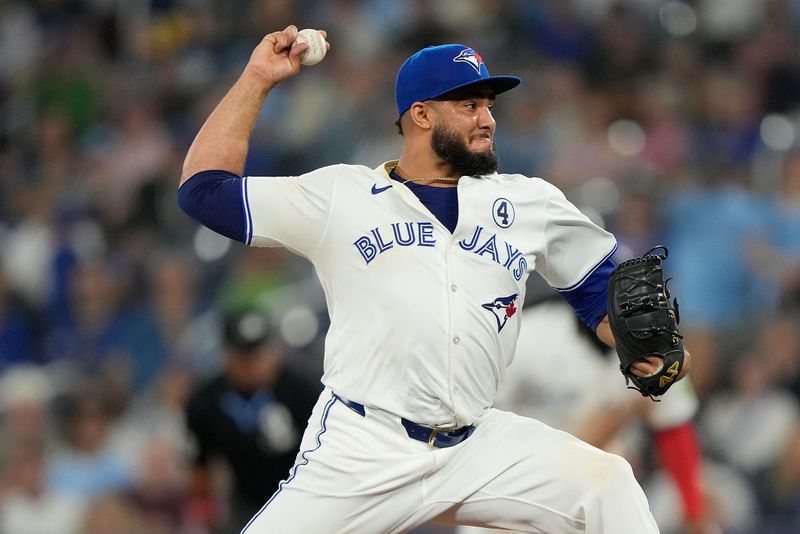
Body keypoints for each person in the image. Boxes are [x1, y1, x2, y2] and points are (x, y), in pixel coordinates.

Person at [177, 25, 692, 533]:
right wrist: (257, 78)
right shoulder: (342, 197)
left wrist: (647, 349)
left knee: (608, 484)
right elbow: (202, 190)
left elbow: (600, 293)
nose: (487, 118)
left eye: (489, 105)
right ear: (420, 114)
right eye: (469, 105)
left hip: (476, 446)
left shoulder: (526, 201)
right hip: (364, 445)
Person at [183, 307, 320, 532]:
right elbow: (199, 468)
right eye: (244, 357)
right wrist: (208, 518)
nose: (254, 364)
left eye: (261, 353)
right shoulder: (206, 401)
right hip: (246, 502)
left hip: (304, 493)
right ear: (227, 356)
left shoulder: (302, 390)